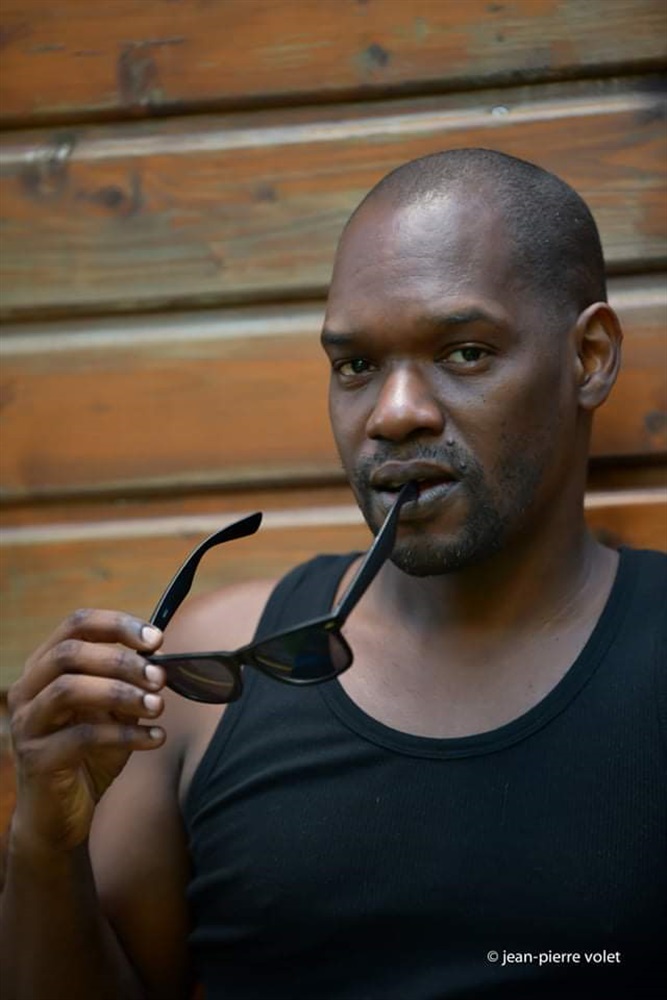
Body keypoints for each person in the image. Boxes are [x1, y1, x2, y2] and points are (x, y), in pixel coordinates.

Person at [1, 148, 665, 1000]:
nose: (394, 413)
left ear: (589, 358)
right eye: (355, 366)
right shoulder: (213, 676)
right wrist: (43, 844)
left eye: (463, 352)